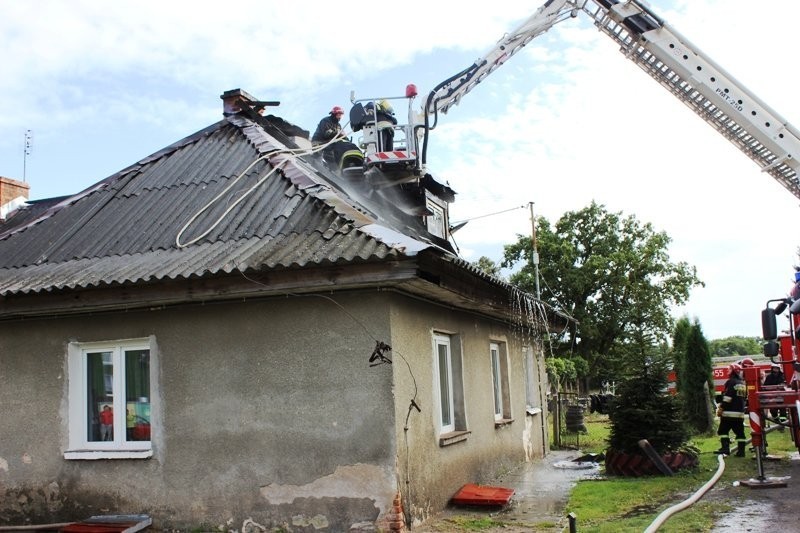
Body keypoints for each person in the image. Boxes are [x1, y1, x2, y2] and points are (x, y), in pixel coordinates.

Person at [716, 362, 747, 456]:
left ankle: (725, 449)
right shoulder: (742, 383)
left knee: (723, 431)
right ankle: (741, 452)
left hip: (729, 413)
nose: (728, 371)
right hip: (739, 413)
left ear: (733, 371)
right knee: (740, 433)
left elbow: (727, 397)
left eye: (729, 369)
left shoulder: (731, 382)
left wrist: (721, 407)